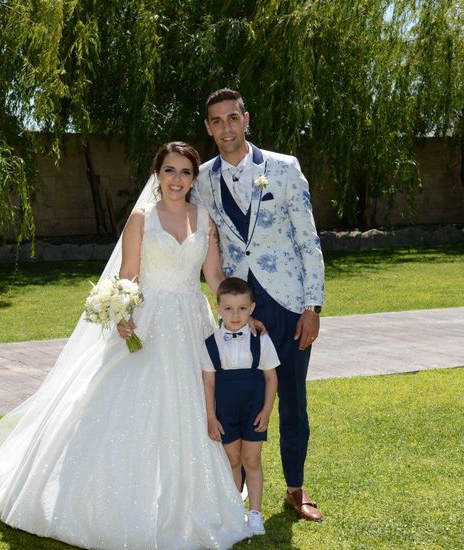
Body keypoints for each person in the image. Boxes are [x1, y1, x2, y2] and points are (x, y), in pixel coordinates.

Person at [0, 141, 250, 549]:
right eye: (170, 171)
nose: (177, 180)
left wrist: (239, 310)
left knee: (193, 405)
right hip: (150, 321)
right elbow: (128, 275)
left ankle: (192, 495)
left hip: (191, 323)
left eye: (185, 172)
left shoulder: (205, 219)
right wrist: (124, 314)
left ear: (194, 178)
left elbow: (213, 277)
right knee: (127, 402)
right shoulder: (142, 218)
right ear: (157, 174)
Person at [193, 88, 327, 522]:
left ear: (246, 119)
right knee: (237, 396)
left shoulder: (284, 169)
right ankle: (234, 493)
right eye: (216, 121)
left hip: (287, 303)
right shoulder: (202, 180)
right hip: (237, 309)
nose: (225, 128)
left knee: (292, 396)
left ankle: (295, 488)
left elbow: (307, 238)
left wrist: (313, 306)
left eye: (232, 118)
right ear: (209, 128)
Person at [201, 277, 279, 536]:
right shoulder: (210, 344)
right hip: (225, 411)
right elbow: (208, 383)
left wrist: (267, 410)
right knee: (233, 460)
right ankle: (235, 511)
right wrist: (211, 417)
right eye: (229, 308)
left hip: (254, 409)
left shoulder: (261, 340)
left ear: (252, 308)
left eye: (242, 308)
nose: (235, 315)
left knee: (251, 459)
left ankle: (255, 513)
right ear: (218, 308)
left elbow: (271, 377)